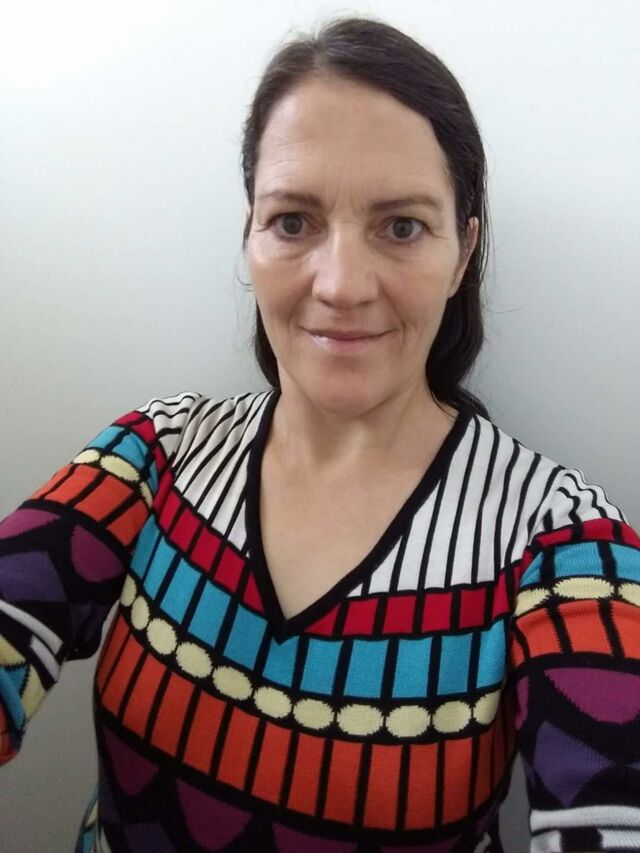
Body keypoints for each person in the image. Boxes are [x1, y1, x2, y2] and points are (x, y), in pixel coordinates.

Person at [1, 15, 639, 853]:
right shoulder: (156, 454)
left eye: (401, 226)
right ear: (250, 234)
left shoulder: (561, 543)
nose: (340, 285)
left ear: (463, 251)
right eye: (294, 221)